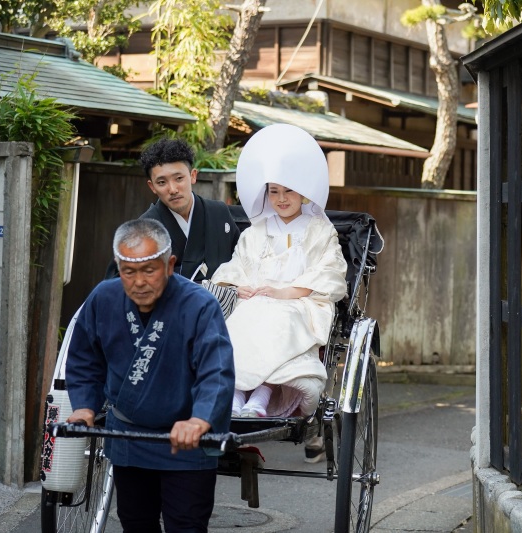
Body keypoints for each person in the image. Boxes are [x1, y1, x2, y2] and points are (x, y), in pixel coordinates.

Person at [66, 218, 235, 532]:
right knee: (136, 522)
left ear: (170, 265)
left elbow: (216, 371)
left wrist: (199, 420)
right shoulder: (103, 298)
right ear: (118, 267)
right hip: (131, 437)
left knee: (186, 524)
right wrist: (85, 407)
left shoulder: (199, 305)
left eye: (149, 270)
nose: (138, 282)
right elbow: (85, 360)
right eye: (128, 272)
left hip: (187, 441)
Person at [210, 124, 347, 462]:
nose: (282, 199)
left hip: (299, 303)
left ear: (303, 192)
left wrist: (284, 291)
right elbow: (235, 267)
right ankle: (238, 398)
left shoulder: (320, 230)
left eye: (289, 190)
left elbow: (330, 273)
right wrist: (239, 285)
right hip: (255, 301)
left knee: (277, 317)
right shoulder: (255, 233)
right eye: (273, 191)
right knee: (242, 316)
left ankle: (260, 397)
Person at [106, 138, 240, 281]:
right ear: (152, 187)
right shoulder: (143, 231)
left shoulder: (219, 213)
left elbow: (241, 262)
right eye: (162, 182)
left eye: (179, 178)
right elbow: (122, 282)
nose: (173, 189)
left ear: (193, 176)